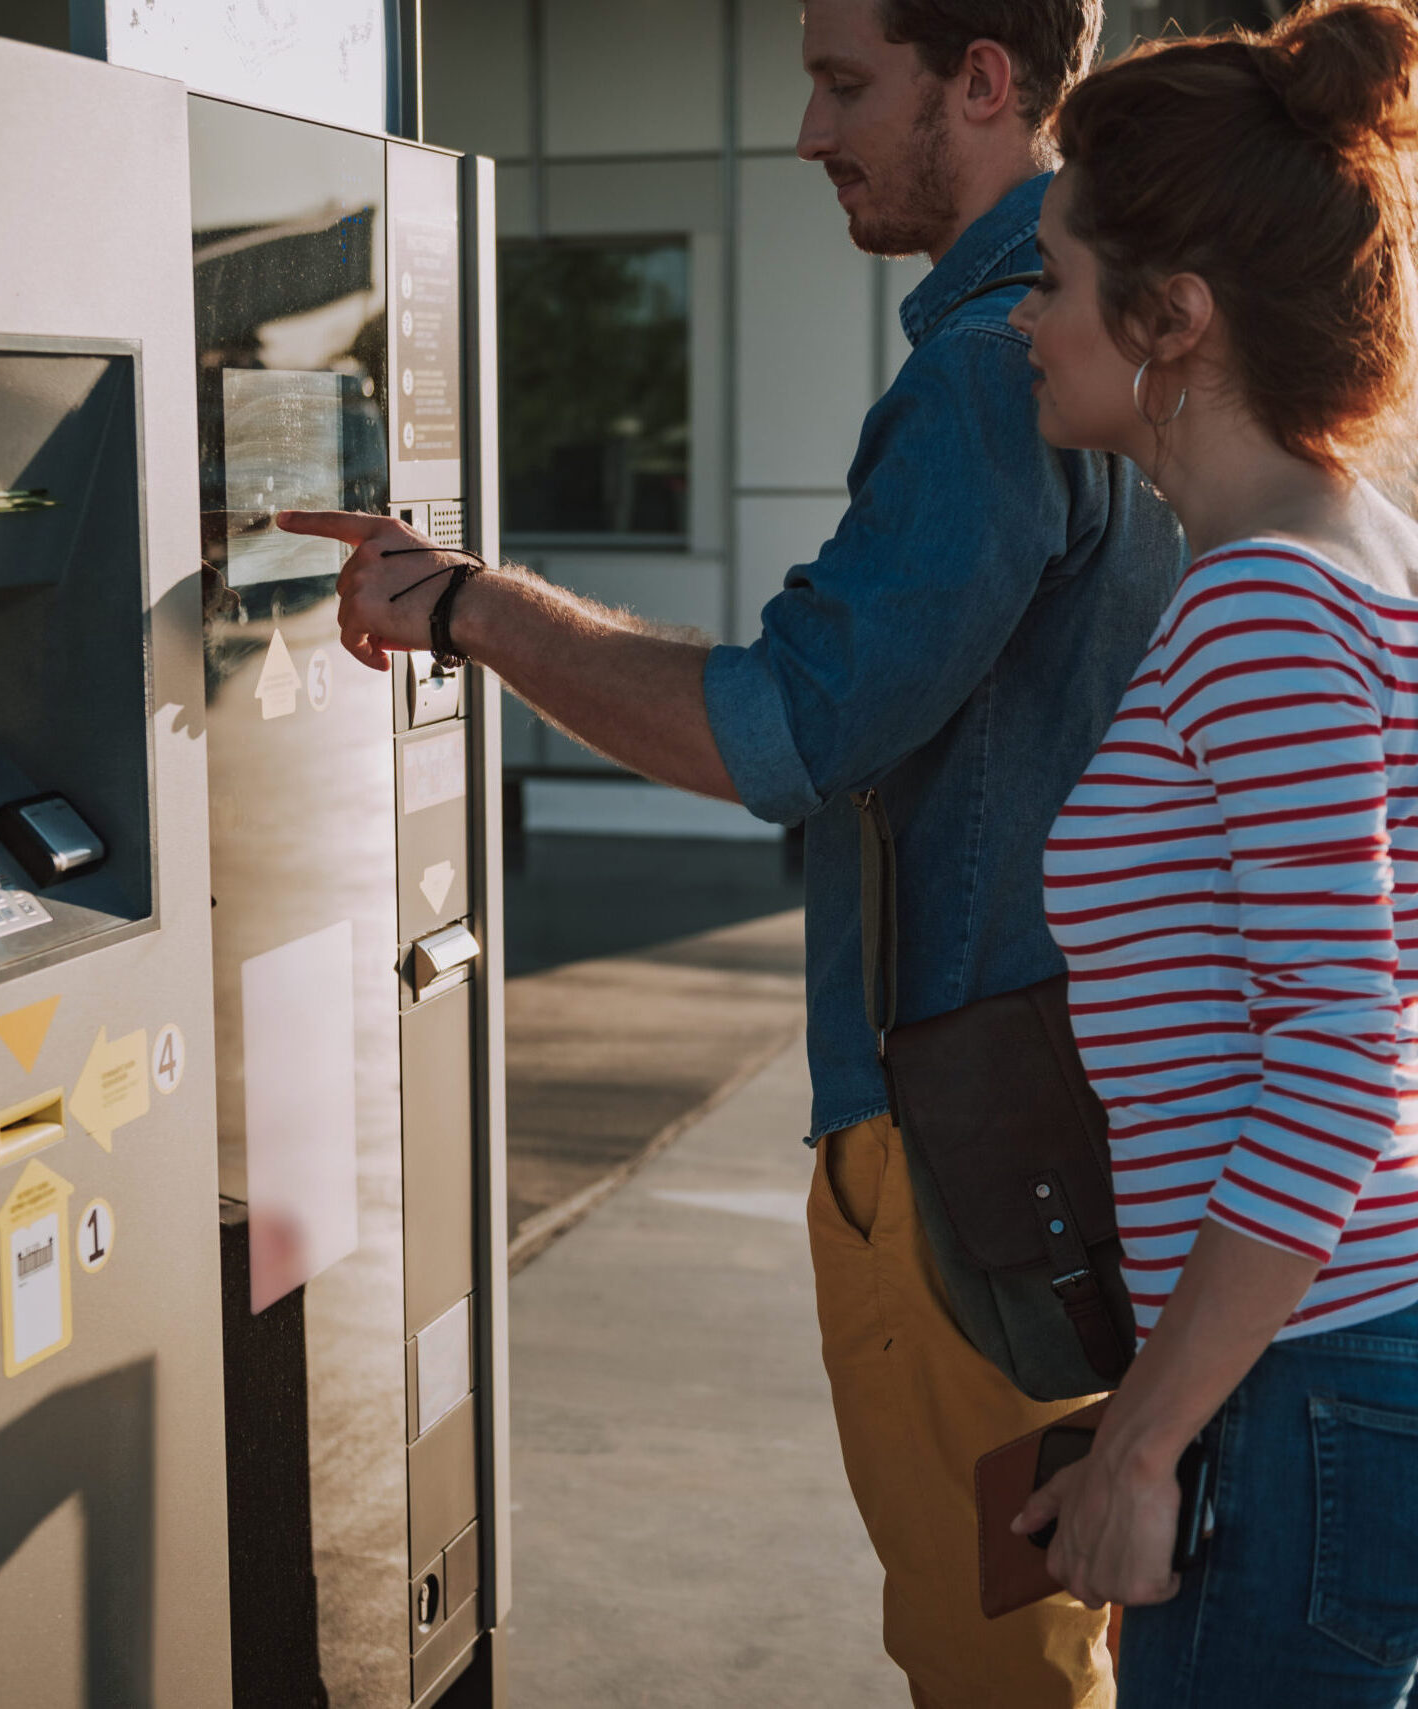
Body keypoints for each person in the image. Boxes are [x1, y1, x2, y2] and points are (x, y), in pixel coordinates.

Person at [282, 2, 1183, 1701]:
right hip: (1091, 1126)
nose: (808, 134)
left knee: (995, 1656)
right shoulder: (1154, 338)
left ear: (983, 82)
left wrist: (470, 604)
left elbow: (779, 728)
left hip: (967, 1162)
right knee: (1071, 1629)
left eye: (848, 85)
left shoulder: (996, 374)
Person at [1007, 3, 1418, 1703]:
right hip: (1327, 1359)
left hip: (1302, 1383)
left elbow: (1343, 1047)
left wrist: (1142, 1448)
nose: (1019, 324)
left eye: (1047, 279)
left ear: (1170, 319)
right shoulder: (1364, 549)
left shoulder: (1261, 603)